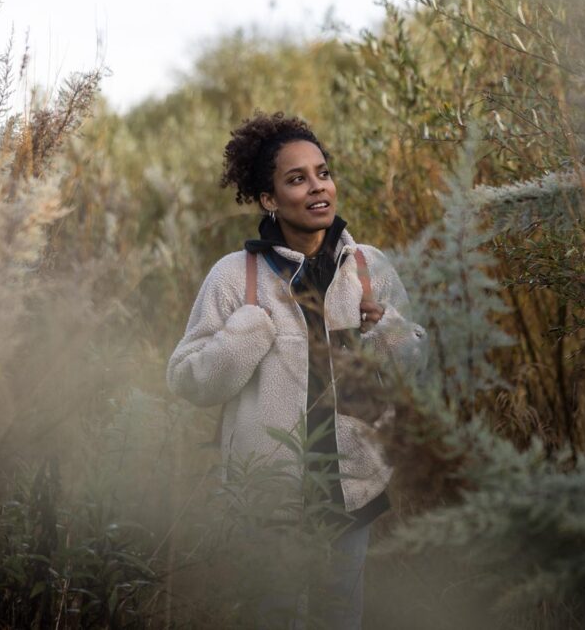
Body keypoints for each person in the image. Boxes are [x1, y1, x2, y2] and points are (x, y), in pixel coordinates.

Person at [166, 112, 427, 629]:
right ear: (268, 199)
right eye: (296, 178)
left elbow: (414, 368)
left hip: (351, 485)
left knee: (339, 617)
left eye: (322, 173)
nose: (317, 188)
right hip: (269, 493)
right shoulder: (234, 277)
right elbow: (186, 379)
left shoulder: (368, 268)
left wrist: (387, 329)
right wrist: (246, 334)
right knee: (275, 615)